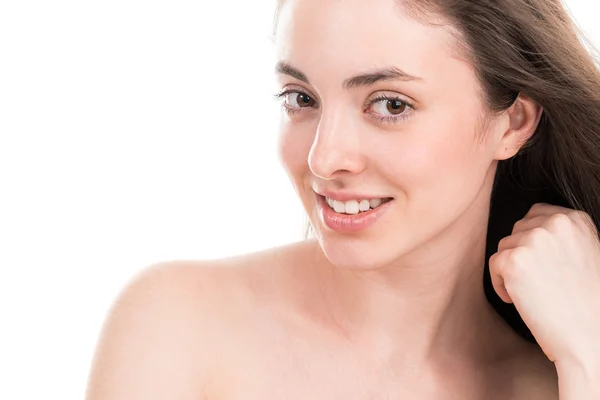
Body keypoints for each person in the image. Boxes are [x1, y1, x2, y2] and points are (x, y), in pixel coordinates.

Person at [85, 0, 600, 398]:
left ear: (512, 123)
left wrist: (588, 355)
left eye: (390, 104)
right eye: (301, 99)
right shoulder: (178, 327)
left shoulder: (557, 380)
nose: (323, 159)